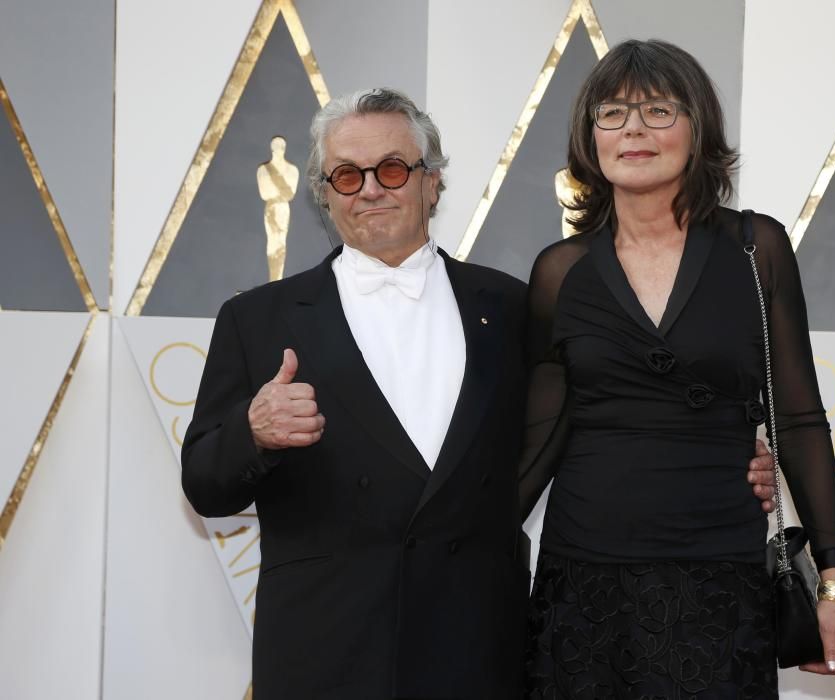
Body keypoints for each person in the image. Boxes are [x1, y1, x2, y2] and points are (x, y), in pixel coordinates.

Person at [181, 87, 777, 699]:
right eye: (345, 175)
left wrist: (734, 455)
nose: (369, 189)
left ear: (431, 182)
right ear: (323, 191)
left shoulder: (511, 306)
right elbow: (204, 485)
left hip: (475, 650)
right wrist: (251, 432)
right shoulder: (257, 319)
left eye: (391, 169)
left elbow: (596, 421)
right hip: (324, 651)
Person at [519, 40, 835, 698]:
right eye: (612, 113)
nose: (634, 130)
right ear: (589, 138)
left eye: (657, 110)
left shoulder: (756, 250)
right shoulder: (559, 273)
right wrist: (452, 559)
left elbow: (798, 418)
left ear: (697, 128)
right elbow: (536, 440)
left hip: (719, 573)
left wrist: (834, 580)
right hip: (585, 577)